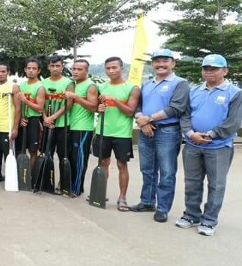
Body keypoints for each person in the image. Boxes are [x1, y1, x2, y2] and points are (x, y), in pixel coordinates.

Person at [177, 54, 242, 236]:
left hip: (219, 147)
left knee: (216, 185)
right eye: (206, 68)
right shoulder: (194, 91)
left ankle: (210, 220)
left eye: (214, 68)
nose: (209, 72)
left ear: (225, 71)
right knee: (192, 182)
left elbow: (234, 122)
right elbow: (185, 115)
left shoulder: (235, 93)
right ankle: (191, 215)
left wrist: (210, 134)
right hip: (192, 145)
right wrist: (190, 134)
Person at [132, 49, 190, 222]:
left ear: (173, 63)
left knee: (166, 171)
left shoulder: (180, 83)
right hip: (146, 131)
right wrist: (143, 121)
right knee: (147, 169)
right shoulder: (147, 84)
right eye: (157, 61)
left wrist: (148, 119)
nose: (161, 64)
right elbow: (138, 107)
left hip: (168, 132)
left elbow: (176, 108)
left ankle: (163, 208)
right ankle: (147, 201)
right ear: (152, 64)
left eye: (165, 60)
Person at [93, 57, 140, 212]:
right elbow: (95, 107)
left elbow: (130, 112)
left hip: (122, 133)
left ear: (122, 68)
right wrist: (98, 108)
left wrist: (115, 100)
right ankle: (101, 194)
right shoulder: (101, 87)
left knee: (121, 165)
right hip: (102, 131)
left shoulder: (132, 88)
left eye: (114, 67)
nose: (111, 71)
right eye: (108, 68)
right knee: (104, 163)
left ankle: (122, 198)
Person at [63, 59, 98, 197]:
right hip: (72, 126)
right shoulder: (73, 84)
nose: (75, 72)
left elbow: (93, 107)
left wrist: (76, 97)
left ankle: (76, 189)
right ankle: (70, 185)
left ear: (87, 71)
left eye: (79, 69)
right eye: (74, 69)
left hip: (83, 128)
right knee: (71, 157)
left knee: (79, 159)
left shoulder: (91, 86)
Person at [41, 55, 74, 192]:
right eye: (52, 66)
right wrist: (45, 118)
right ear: (48, 67)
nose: (55, 68)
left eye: (58, 66)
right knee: (46, 154)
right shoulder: (43, 83)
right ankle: (46, 181)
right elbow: (40, 103)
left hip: (63, 125)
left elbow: (69, 104)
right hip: (47, 124)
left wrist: (53, 117)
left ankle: (63, 184)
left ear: (62, 67)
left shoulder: (68, 83)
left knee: (63, 155)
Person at [16, 58, 45, 172]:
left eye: (34, 68)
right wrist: (19, 119)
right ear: (25, 70)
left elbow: (40, 108)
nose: (31, 71)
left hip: (34, 120)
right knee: (19, 149)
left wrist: (26, 100)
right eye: (29, 68)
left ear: (38, 71)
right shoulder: (21, 85)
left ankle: (31, 176)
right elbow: (17, 106)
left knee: (33, 150)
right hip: (23, 120)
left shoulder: (40, 87)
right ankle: (21, 174)